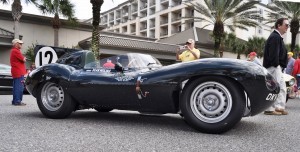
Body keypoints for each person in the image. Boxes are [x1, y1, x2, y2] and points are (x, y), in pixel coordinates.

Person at [263, 18, 289, 115]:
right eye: (286, 25)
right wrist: (276, 65)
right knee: (274, 87)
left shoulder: (277, 37)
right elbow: (273, 53)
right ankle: (269, 109)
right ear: (279, 25)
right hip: (273, 67)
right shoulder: (275, 37)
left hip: (277, 67)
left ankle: (279, 107)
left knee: (281, 87)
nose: (288, 27)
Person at [10, 39, 27, 106]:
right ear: (16, 44)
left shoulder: (13, 51)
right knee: (19, 87)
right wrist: (24, 58)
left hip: (15, 71)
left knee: (16, 87)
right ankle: (17, 101)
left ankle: (15, 101)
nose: (21, 45)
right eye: (20, 43)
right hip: (19, 71)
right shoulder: (16, 51)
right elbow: (23, 59)